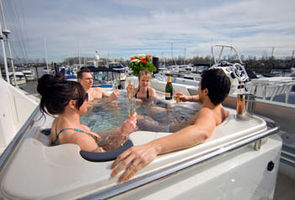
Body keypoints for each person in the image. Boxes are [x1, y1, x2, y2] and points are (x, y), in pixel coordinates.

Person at [111, 68, 231, 182]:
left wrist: (153, 147)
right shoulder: (219, 108)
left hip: (170, 128)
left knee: (139, 118)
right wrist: (188, 98)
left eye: (199, 86)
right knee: (154, 110)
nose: (198, 88)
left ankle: (104, 136)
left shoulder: (207, 113)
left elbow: (202, 132)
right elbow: (203, 98)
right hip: (179, 120)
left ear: (205, 91)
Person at [37, 74, 137, 152]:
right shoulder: (80, 139)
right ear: (72, 104)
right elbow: (104, 158)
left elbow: (92, 137)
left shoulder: (57, 123)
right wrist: (124, 134)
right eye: (85, 96)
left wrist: (120, 129)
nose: (87, 100)